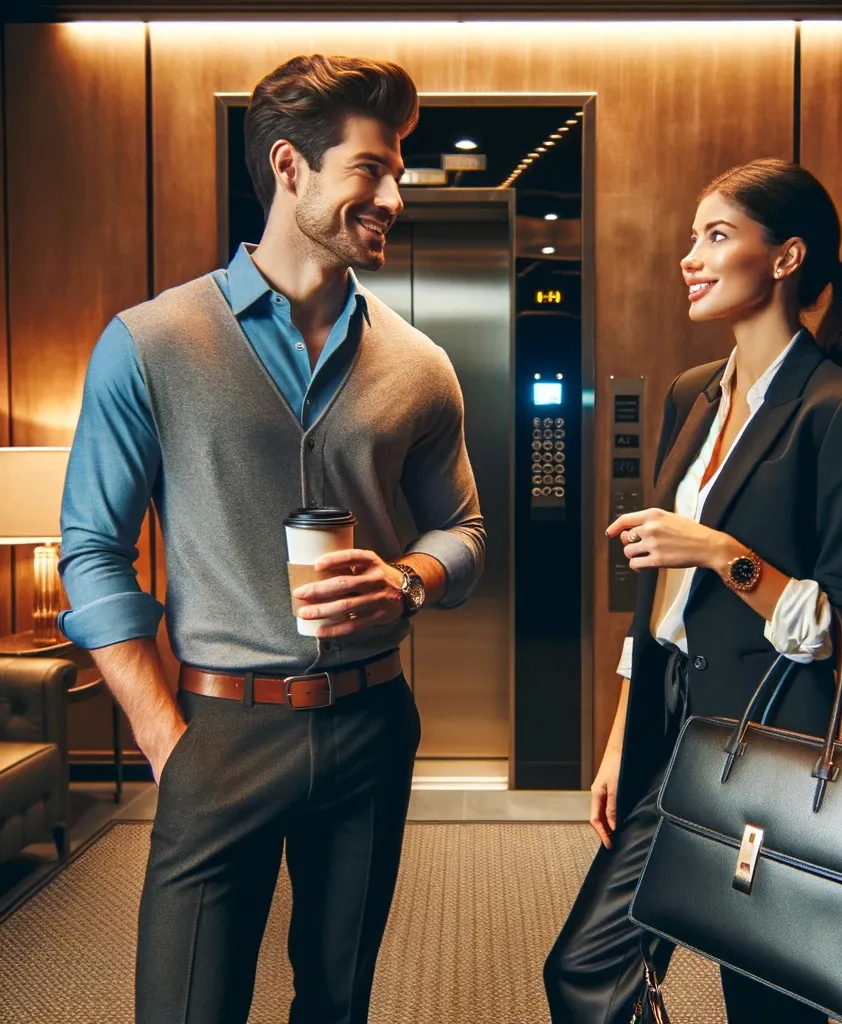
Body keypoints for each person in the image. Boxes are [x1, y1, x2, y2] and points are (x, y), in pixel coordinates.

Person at [58, 54, 485, 1024]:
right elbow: (91, 547)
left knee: (336, 1002)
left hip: (372, 725)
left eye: (398, 170)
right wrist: (165, 736)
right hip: (219, 729)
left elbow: (462, 531)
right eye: (372, 168)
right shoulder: (151, 342)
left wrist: (411, 580)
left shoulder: (422, 367)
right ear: (290, 167)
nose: (394, 194)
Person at [544, 158, 842, 1023]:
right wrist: (620, 743)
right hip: (669, 724)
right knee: (586, 967)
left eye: (716, 236)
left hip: (770, 741)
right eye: (692, 238)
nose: (689, 258)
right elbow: (662, 617)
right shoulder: (691, 396)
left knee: (765, 992)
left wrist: (719, 552)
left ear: (784, 258)